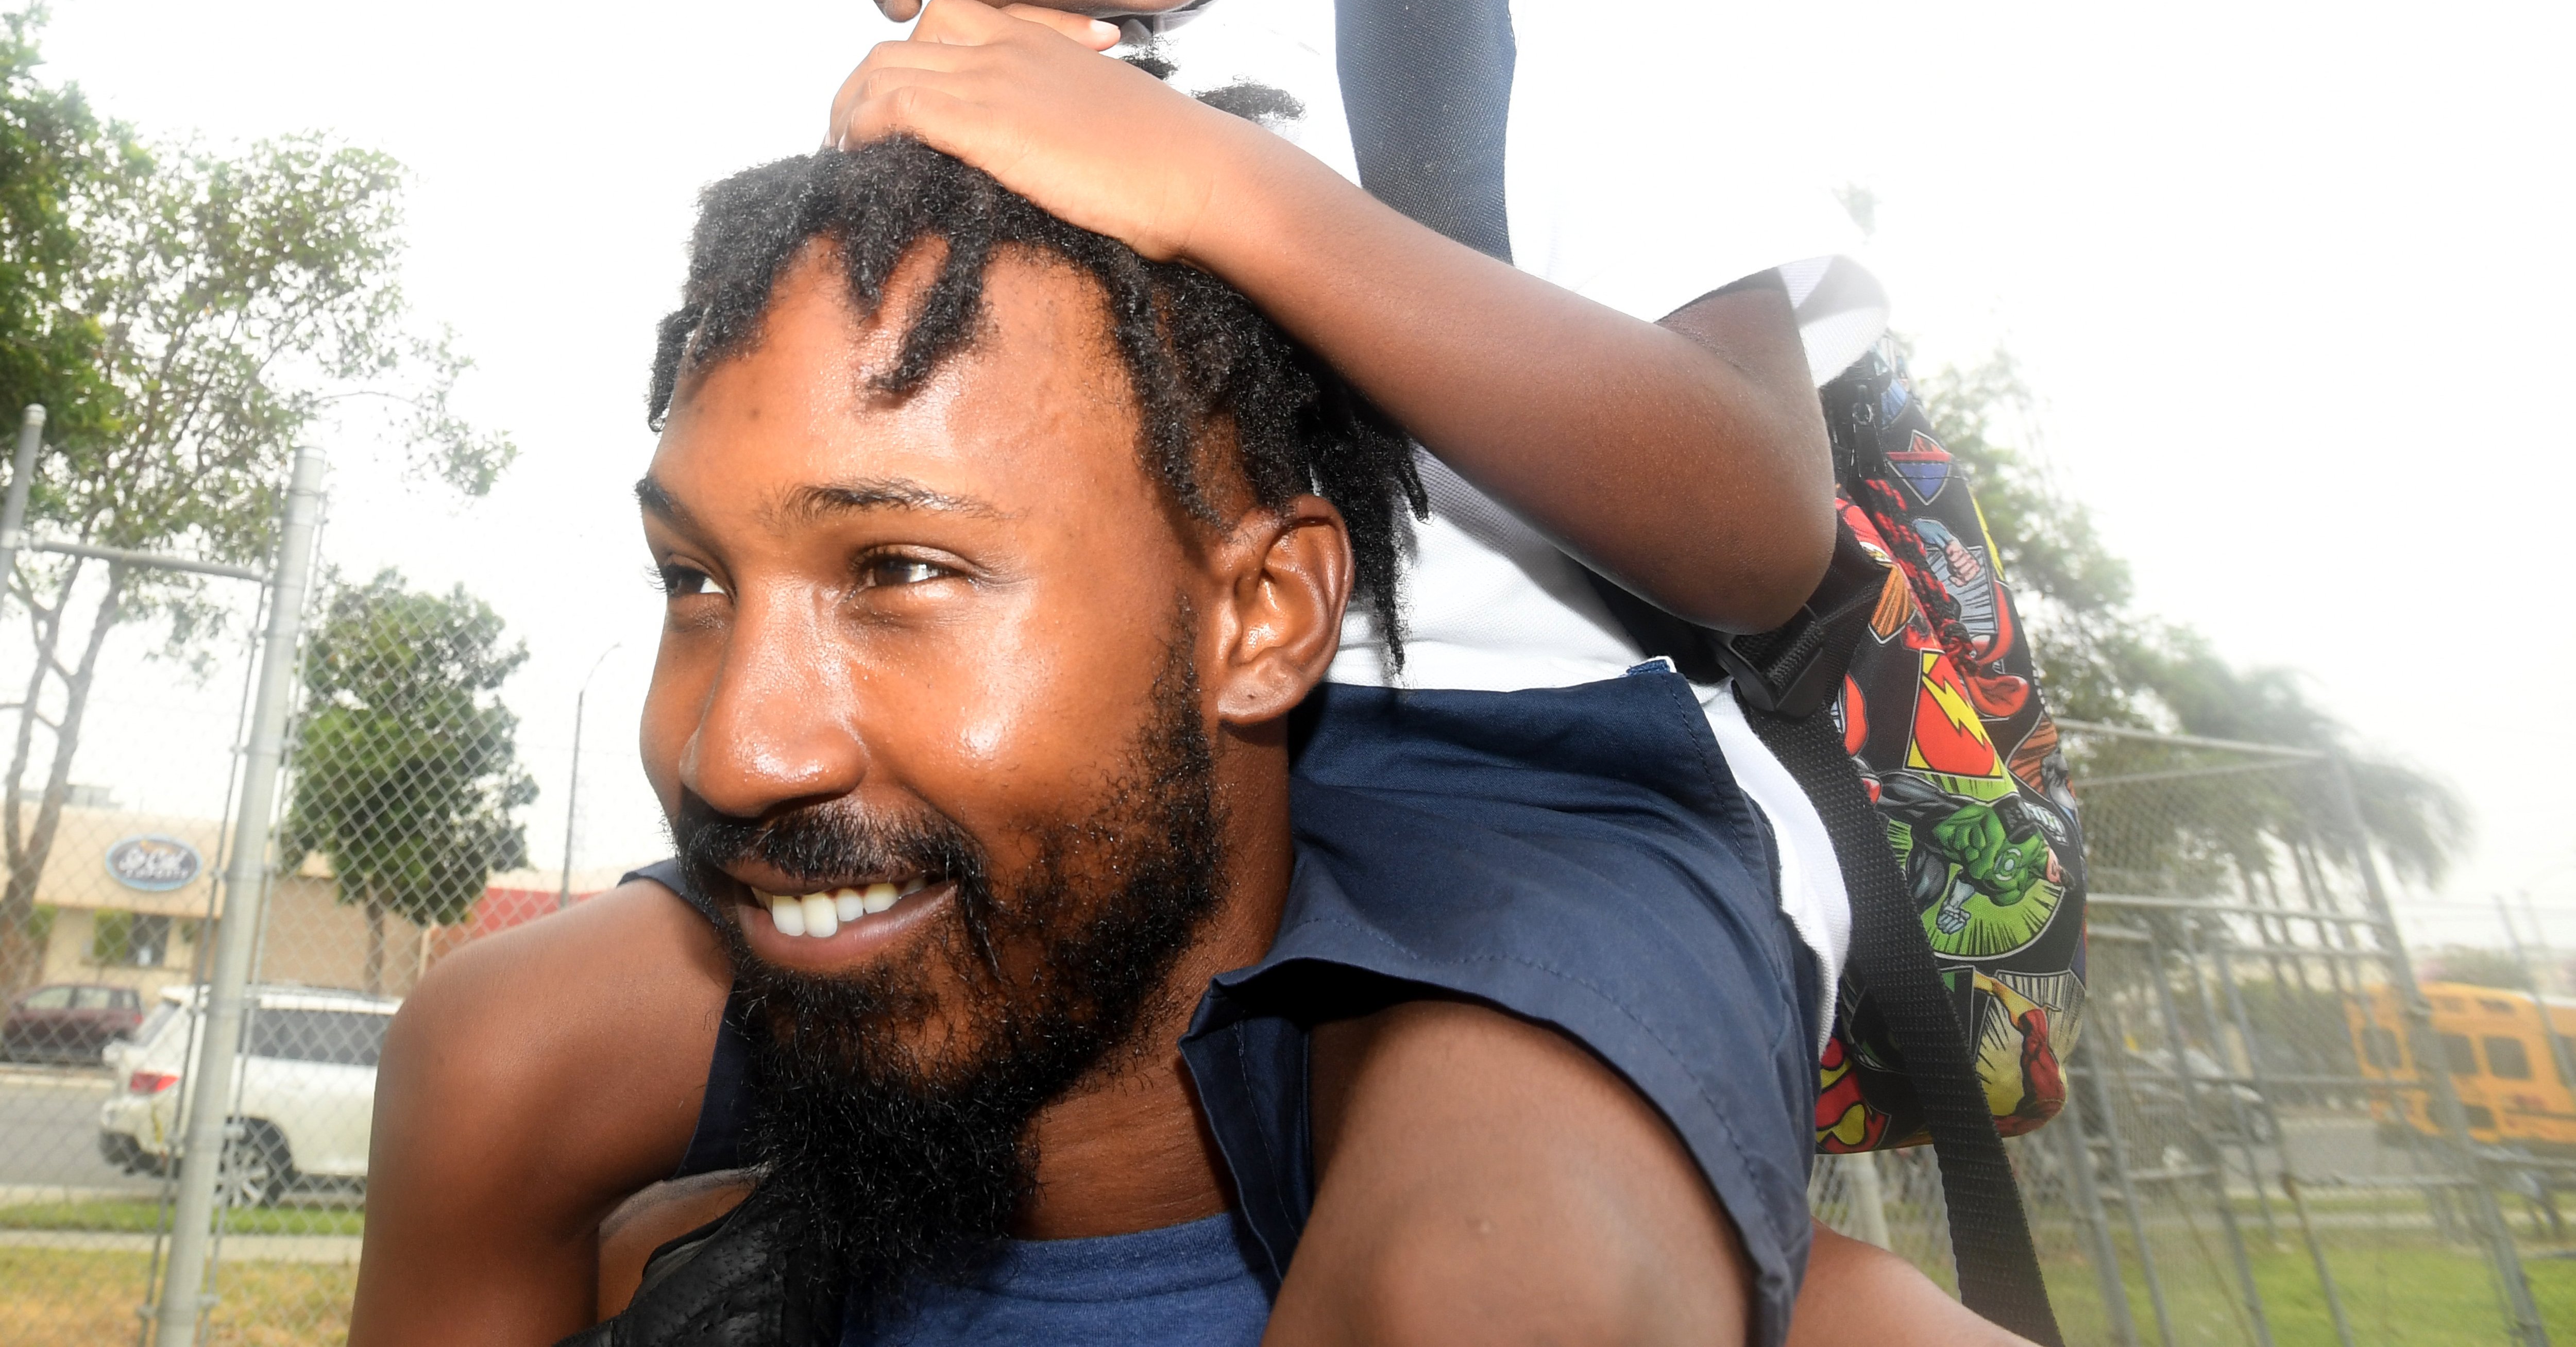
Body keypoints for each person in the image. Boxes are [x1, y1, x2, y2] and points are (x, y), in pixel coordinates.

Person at [594, 0, 1908, 1332]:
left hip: (1556, 798)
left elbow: (1756, 522)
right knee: (502, 1059)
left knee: (1486, 1280)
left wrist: (1221, 186)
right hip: (1138, 798)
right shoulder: (984, 127)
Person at [353, 141, 2015, 1346]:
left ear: (1266, 616)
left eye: (903, 571)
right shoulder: (645, 1292)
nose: (735, 748)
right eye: (694, 581)